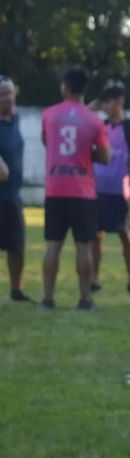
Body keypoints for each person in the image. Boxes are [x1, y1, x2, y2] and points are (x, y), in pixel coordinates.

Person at [41, 66, 110, 310]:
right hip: (83, 191)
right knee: (84, 246)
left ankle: (48, 299)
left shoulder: (49, 114)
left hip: (55, 188)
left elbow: (47, 143)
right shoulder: (94, 120)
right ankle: (85, 298)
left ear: (66, 87)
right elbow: (105, 156)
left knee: (53, 245)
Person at [89, 80, 130, 294]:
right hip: (97, 188)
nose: (105, 106)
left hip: (120, 190)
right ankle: (93, 279)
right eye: (103, 102)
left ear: (120, 102)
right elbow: (81, 120)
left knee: (125, 234)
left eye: (109, 101)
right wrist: (91, 107)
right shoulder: (101, 126)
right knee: (96, 235)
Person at [0, 75, 32, 302]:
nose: (7, 97)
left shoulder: (16, 119)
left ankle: (16, 290)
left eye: (9, 92)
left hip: (12, 194)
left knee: (17, 246)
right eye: (2, 94)